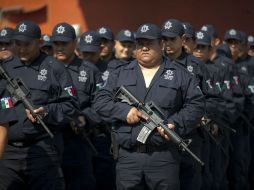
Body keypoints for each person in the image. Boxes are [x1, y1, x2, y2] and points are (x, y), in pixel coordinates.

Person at [93, 23, 204, 190]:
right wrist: (124, 111)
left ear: (161, 44)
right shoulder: (120, 72)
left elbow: (196, 104)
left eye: (149, 43)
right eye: (140, 43)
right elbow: (100, 101)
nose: (144, 48)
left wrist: (176, 123)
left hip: (164, 157)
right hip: (128, 157)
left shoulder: (180, 74)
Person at [0, 20, 79, 190]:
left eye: (27, 44)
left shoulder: (54, 67)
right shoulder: (4, 69)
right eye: (18, 44)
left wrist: (48, 111)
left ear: (40, 42)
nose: (21, 49)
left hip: (43, 150)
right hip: (9, 154)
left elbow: (72, 105)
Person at [52, 23, 98, 190]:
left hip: (79, 141)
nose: (60, 47)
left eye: (64, 43)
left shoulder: (89, 70)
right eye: (56, 43)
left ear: (75, 42)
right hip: (49, 142)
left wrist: (85, 117)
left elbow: (101, 105)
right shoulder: (43, 69)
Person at [161, 19, 206, 190]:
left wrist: (203, 115)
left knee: (190, 182)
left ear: (183, 39)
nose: (168, 44)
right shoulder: (156, 65)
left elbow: (210, 98)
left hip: (190, 137)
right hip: (162, 137)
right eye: (164, 39)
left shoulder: (196, 66)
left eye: (172, 39)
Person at [77, 30, 116, 190]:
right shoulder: (73, 69)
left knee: (103, 179)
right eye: (84, 53)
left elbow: (105, 104)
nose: (87, 58)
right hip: (78, 134)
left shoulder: (110, 70)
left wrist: (86, 116)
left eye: (91, 54)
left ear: (100, 50)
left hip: (101, 134)